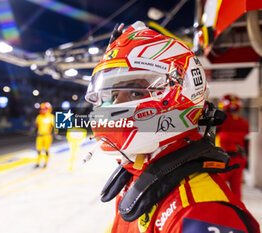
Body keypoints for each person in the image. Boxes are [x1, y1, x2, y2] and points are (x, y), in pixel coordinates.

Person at [85, 21, 260, 233]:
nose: (115, 106)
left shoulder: (201, 212)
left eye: (135, 93)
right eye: (114, 95)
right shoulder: (138, 171)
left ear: (181, 92)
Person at [216, 94, 249, 200]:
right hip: (240, 158)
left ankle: (220, 212)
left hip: (224, 160)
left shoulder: (221, 121)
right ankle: (238, 212)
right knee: (236, 190)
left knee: (219, 188)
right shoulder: (244, 122)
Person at [35, 102, 54, 168]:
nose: (42, 110)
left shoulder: (51, 117)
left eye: (44, 109)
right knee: (39, 150)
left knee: (46, 151)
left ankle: (45, 163)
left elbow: (55, 127)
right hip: (39, 136)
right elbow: (36, 126)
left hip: (47, 136)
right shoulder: (39, 117)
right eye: (41, 109)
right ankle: (37, 163)